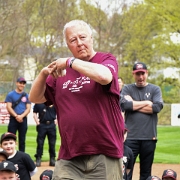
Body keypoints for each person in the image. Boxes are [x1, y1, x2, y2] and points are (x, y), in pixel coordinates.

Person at [29, 19, 124, 180]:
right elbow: (35, 97)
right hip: (69, 157)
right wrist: (44, 74)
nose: (79, 43)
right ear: (68, 45)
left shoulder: (105, 60)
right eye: (73, 40)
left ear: (91, 38)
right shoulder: (60, 73)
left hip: (105, 153)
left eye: (83, 37)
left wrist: (70, 62)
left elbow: (104, 76)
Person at [120, 62, 163, 180]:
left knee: (146, 173)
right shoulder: (127, 88)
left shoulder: (155, 89)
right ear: (134, 74)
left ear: (147, 73)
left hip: (149, 138)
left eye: (142, 74)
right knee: (126, 173)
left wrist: (133, 102)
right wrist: (147, 102)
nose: (140, 77)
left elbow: (157, 107)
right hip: (130, 138)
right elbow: (125, 105)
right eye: (137, 74)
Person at [5, 77, 31, 152]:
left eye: (23, 83)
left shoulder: (26, 95)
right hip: (13, 118)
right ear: (17, 83)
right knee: (10, 139)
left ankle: (21, 156)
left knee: (22, 140)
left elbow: (28, 108)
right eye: (20, 83)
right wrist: (16, 116)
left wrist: (21, 116)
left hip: (23, 119)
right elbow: (8, 107)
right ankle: (10, 155)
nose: (21, 85)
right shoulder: (10, 94)